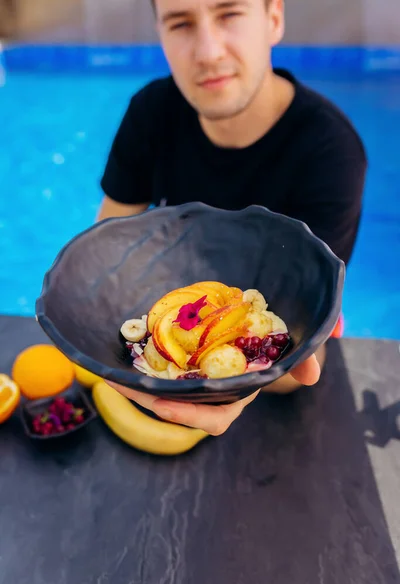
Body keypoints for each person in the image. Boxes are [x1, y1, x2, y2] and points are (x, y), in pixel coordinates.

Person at [97, 0, 367, 436]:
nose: (208, 51)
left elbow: (300, 338)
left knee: (301, 376)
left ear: (273, 18)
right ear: (161, 36)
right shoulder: (151, 114)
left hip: (280, 356)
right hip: (179, 315)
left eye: (229, 14)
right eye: (181, 23)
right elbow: (103, 256)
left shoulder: (330, 153)